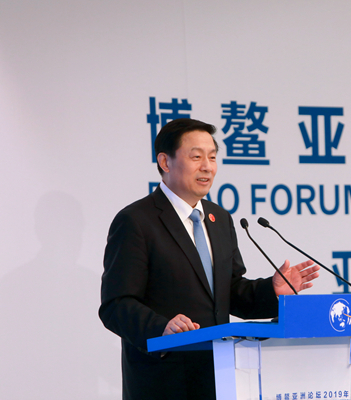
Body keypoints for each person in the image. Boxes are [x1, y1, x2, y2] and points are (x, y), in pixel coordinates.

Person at [99, 118, 319, 399]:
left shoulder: (219, 219)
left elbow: (230, 291)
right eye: (196, 157)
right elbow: (116, 304)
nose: (207, 167)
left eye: (212, 157)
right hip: (164, 383)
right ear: (165, 162)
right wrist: (161, 328)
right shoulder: (137, 221)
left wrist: (271, 290)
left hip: (221, 378)